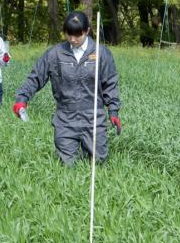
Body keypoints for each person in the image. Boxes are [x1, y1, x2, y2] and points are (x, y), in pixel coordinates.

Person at [13, 10, 122, 165]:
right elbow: (35, 77)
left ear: (87, 31)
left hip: (93, 117)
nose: (72, 39)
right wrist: (22, 99)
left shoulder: (101, 53)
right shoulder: (55, 54)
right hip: (65, 118)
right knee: (66, 166)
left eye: (78, 35)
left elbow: (110, 83)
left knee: (99, 163)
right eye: (68, 34)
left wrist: (113, 110)